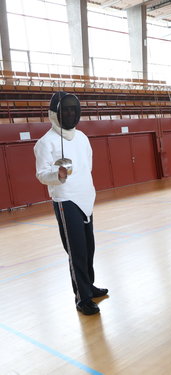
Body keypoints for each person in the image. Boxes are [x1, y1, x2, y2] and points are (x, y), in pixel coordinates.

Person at [34, 91, 107, 315]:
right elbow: (41, 174)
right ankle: (82, 297)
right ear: (55, 113)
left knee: (89, 248)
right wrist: (60, 174)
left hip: (86, 197)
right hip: (66, 199)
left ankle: (89, 286)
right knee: (76, 251)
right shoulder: (45, 142)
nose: (69, 113)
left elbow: (88, 167)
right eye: (65, 109)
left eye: (73, 109)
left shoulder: (82, 137)